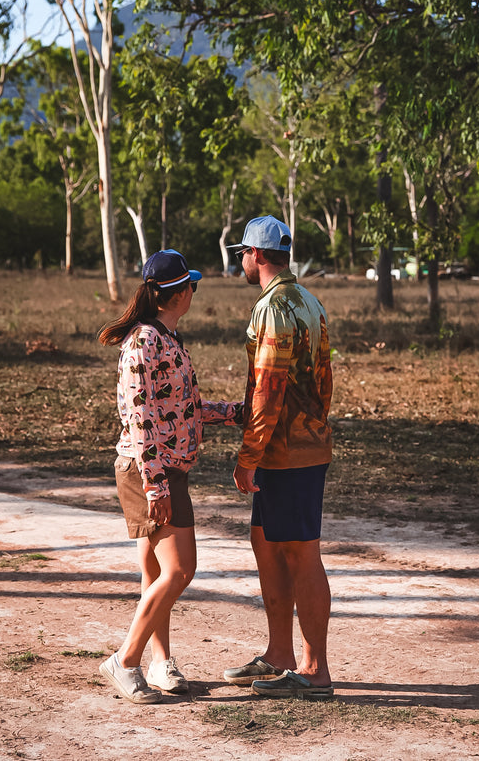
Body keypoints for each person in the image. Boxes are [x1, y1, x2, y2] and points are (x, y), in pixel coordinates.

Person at [97, 249, 242, 704]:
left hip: (162, 468)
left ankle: (160, 663)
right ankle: (124, 660)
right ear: (175, 295)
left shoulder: (166, 337)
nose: (194, 293)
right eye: (191, 286)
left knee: (155, 569)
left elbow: (180, 409)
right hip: (149, 471)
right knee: (181, 569)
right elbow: (142, 417)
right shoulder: (144, 342)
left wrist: (233, 413)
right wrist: (157, 484)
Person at [223, 215, 334, 699]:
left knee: (301, 552)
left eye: (243, 252)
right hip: (294, 446)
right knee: (266, 543)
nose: (242, 261)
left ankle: (314, 670)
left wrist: (249, 454)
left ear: (259, 256)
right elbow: (325, 380)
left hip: (286, 452)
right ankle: (280, 655)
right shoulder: (309, 300)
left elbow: (268, 388)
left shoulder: (272, 308)